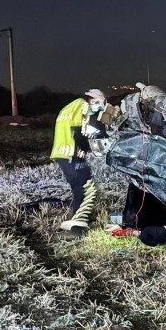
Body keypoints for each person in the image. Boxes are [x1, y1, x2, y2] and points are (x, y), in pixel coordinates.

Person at [51, 88, 108, 231]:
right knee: (82, 187)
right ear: (93, 100)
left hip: (65, 152)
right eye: (98, 105)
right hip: (70, 153)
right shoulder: (81, 104)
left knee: (84, 181)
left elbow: (81, 129)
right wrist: (82, 147)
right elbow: (77, 130)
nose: (97, 110)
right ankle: (77, 224)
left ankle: (80, 215)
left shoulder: (72, 106)